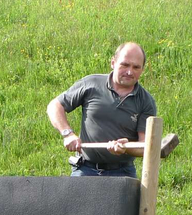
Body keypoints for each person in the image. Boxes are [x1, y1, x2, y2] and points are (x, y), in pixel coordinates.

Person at [46, 42, 157, 177]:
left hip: (123, 172)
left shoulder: (146, 101)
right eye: (125, 65)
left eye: (136, 67)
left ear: (142, 70)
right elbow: (55, 106)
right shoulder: (91, 84)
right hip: (85, 169)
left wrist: (126, 148)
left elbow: (144, 146)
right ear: (113, 63)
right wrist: (67, 134)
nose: (129, 72)